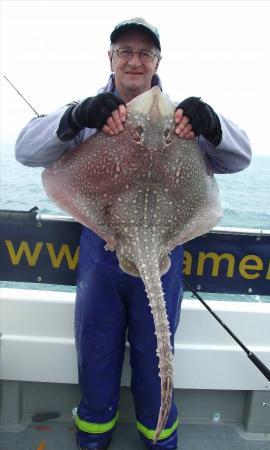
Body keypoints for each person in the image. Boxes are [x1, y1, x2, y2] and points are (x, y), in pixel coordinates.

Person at [15, 17, 252, 450]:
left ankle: (159, 436)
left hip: (164, 247)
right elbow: (26, 150)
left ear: (158, 61)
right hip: (103, 250)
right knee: (97, 350)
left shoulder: (182, 122)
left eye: (145, 53)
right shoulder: (89, 114)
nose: (135, 60)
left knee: (153, 353)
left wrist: (212, 124)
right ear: (110, 58)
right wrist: (73, 118)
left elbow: (240, 158)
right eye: (125, 51)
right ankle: (93, 436)